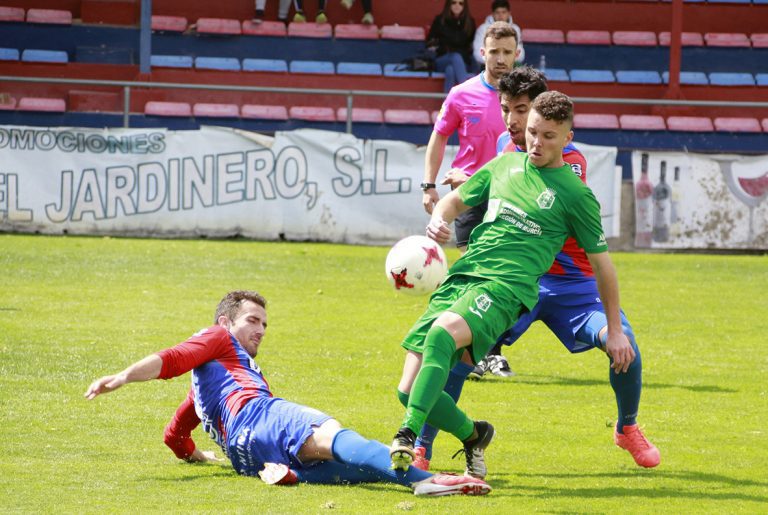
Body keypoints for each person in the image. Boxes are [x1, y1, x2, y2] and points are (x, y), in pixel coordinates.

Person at [412, 67, 661, 471]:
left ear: (555, 127)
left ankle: (627, 428)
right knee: (455, 349)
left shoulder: (570, 166)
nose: (514, 122)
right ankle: (423, 444)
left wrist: (475, 179)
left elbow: (543, 200)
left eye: (523, 112)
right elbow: (495, 189)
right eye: (508, 110)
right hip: (516, 282)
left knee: (625, 344)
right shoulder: (507, 153)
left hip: (571, 284)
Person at [84, 290, 491, 497]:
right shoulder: (217, 338)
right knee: (335, 434)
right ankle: (423, 479)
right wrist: (124, 376)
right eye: (252, 320)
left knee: (358, 467)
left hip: (245, 458)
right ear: (226, 322)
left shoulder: (207, 386)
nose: (260, 329)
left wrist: (194, 454)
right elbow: (173, 357)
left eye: (264, 323)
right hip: (261, 418)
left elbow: (175, 434)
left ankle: (300, 475)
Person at [421, 20, 520, 378]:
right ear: (482, 53)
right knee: (477, 273)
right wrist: (428, 185)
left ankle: (479, 350)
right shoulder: (461, 94)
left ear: (517, 54)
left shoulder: (525, 101)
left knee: (503, 277)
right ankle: (483, 354)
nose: (501, 59)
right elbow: (438, 137)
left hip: (512, 197)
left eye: (507, 52)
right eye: (494, 52)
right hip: (467, 197)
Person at [427, 0, 477, 92]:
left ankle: (447, 105)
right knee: (455, 57)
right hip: (442, 59)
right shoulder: (440, 20)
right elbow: (430, 43)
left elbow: (471, 46)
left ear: (464, 6)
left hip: (463, 62)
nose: (457, 5)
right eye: (453, 2)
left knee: (450, 70)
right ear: (448, 4)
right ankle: (466, 93)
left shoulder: (469, 22)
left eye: (460, 3)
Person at [472, 0, 525, 69]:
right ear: (493, 14)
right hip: (488, 66)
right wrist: (495, 61)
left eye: (503, 12)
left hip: (510, 65)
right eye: (497, 12)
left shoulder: (515, 29)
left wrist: (505, 61)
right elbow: (478, 54)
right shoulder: (483, 29)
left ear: (509, 13)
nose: (500, 16)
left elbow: (520, 55)